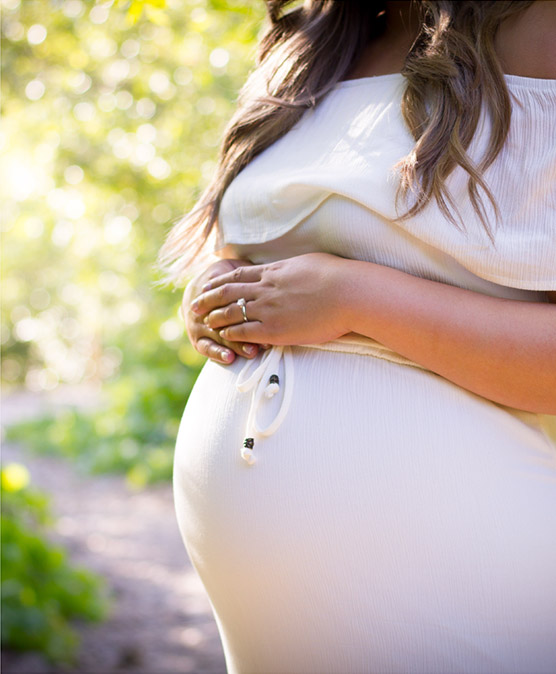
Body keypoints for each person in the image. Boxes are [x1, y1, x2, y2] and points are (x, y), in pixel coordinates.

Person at [159, 1, 556, 672]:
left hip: (468, 579)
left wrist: (358, 299)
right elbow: (250, 248)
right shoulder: (316, 39)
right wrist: (215, 294)